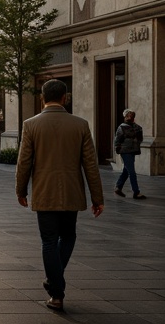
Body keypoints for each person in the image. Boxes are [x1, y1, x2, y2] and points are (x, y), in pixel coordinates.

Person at [15, 80, 104, 313]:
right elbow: (91, 165)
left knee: (48, 241)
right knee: (69, 236)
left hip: (44, 192)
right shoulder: (80, 125)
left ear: (42, 98)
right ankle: (55, 281)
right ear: (65, 98)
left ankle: (56, 291)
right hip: (72, 192)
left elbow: (24, 162)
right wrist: (98, 197)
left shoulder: (31, 125)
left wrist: (20, 190)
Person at [113, 109, 146, 199]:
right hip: (125, 151)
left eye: (131, 115)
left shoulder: (137, 127)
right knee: (132, 172)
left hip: (133, 151)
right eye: (128, 115)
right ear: (125, 117)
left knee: (126, 170)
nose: (129, 117)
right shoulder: (122, 127)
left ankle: (118, 187)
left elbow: (140, 138)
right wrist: (118, 148)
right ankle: (136, 192)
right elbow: (117, 140)